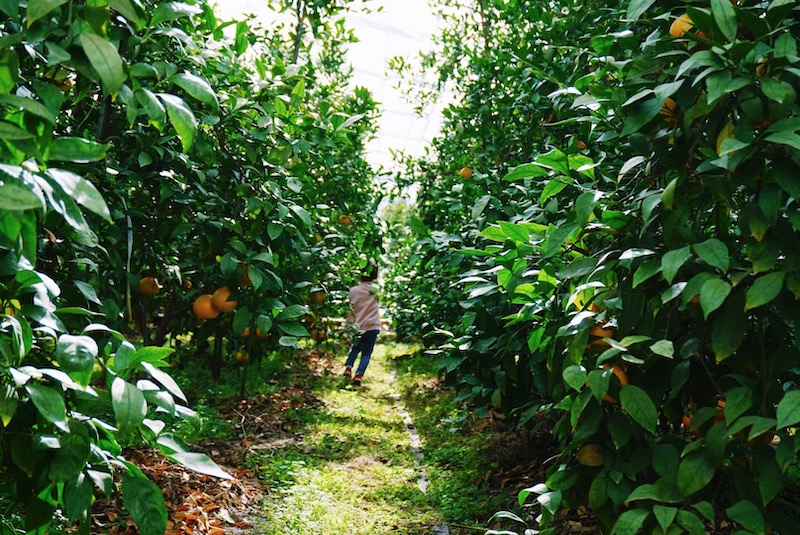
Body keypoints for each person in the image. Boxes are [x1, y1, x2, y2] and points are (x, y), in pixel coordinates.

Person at [343, 260, 381, 386]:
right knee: (366, 353)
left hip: (357, 326)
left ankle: (348, 367)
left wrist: (348, 325)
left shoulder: (353, 291)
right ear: (375, 275)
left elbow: (350, 308)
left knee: (354, 348)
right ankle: (359, 375)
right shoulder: (376, 290)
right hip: (372, 327)